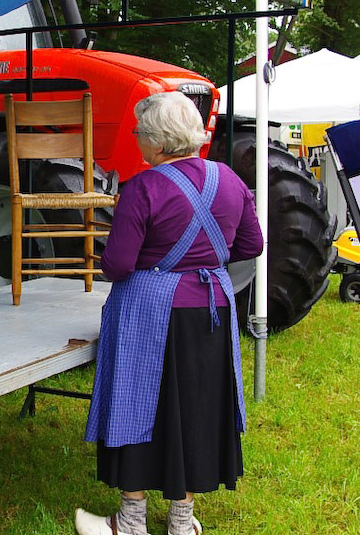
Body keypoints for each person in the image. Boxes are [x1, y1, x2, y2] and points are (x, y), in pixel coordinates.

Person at [76, 92, 264, 535]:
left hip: (150, 313)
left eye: (139, 132)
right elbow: (252, 244)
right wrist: (207, 260)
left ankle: (130, 522)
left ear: (158, 142)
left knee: (135, 405)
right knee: (196, 409)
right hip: (211, 313)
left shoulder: (142, 188)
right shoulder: (229, 180)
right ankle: (181, 522)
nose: (136, 138)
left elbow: (118, 265)